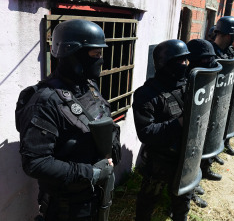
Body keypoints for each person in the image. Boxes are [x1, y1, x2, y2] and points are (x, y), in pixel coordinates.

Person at [15, 19, 121, 221]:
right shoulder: (44, 101)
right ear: (73, 54)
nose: (101, 60)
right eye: (95, 54)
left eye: (101, 54)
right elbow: (35, 162)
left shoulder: (90, 88)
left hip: (96, 197)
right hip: (66, 208)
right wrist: (90, 173)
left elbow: (104, 124)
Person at [133, 39, 193, 221]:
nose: (184, 65)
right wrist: (179, 123)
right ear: (165, 63)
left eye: (186, 60)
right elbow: (146, 132)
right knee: (147, 202)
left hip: (185, 155)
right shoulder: (147, 94)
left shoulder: (188, 85)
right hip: (160, 160)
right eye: (179, 61)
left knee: (183, 201)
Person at [186, 39, 220, 208]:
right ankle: (185, 194)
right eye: (205, 60)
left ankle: (193, 183)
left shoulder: (203, 75)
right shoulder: (186, 77)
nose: (209, 63)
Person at [210, 16, 234, 156]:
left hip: (223, 99)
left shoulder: (227, 51)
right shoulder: (210, 53)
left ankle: (218, 150)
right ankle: (206, 164)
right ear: (229, 35)